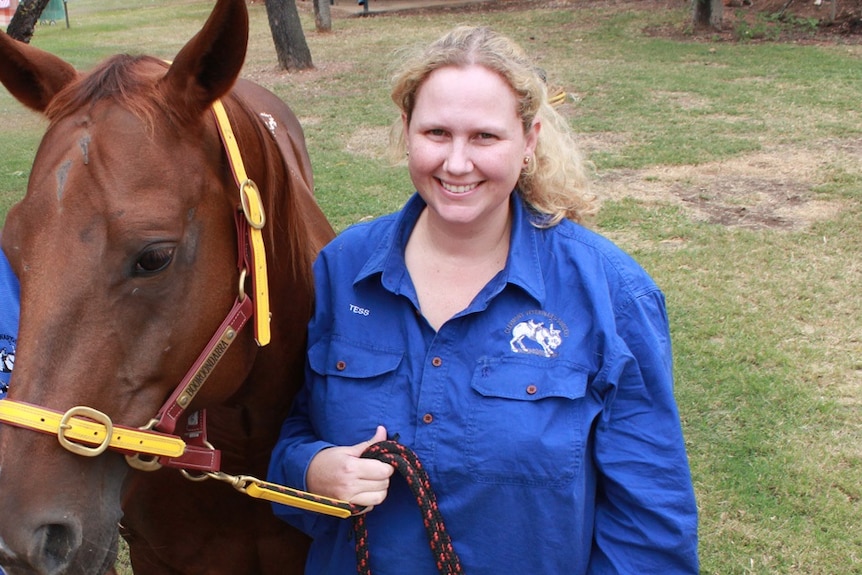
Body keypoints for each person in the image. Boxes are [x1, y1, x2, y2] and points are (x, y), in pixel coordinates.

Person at [268, 25, 699, 574]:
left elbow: (650, 521)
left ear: (529, 141)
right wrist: (311, 468)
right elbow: (289, 435)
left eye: (485, 138)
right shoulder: (342, 267)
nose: (456, 162)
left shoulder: (611, 292)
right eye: (437, 133)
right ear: (406, 132)